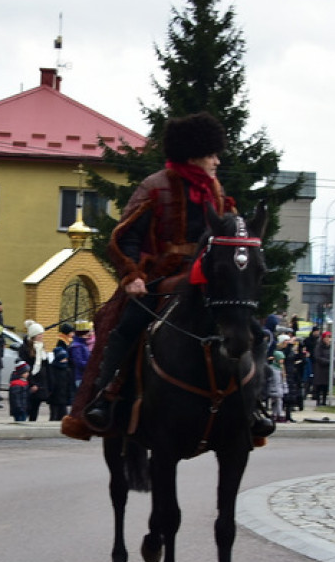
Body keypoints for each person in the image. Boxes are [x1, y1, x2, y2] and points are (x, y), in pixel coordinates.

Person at [69, 111, 271, 438]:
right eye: (212, 155)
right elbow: (126, 235)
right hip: (161, 279)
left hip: (206, 280)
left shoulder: (217, 192)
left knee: (255, 333)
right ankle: (106, 396)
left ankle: (254, 403)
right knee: (125, 328)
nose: (217, 161)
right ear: (193, 153)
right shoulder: (155, 185)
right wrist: (132, 275)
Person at [18, 320, 51, 422]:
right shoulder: (26, 349)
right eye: (39, 334)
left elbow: (45, 364)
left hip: (41, 382)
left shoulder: (41, 348)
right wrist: (32, 383)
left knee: (36, 406)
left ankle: (32, 422)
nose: (42, 336)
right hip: (32, 381)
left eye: (42, 334)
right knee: (29, 405)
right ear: (34, 335)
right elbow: (26, 367)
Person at [48, 322, 74, 421]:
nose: (73, 334)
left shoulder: (68, 341)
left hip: (62, 395)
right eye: (71, 332)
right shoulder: (62, 342)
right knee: (55, 414)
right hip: (56, 395)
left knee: (62, 413)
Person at [311, 331, 333, 406]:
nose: (328, 339)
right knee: (319, 386)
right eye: (326, 337)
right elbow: (317, 357)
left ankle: (324, 400)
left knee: (326, 386)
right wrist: (327, 361)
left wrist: (333, 362)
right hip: (320, 369)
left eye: (329, 337)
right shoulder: (319, 346)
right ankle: (318, 401)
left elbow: (334, 356)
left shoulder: (331, 347)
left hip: (328, 370)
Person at [69, 320, 92, 389]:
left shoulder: (83, 344)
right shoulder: (77, 346)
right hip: (80, 377)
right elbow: (79, 363)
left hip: (84, 376)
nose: (90, 334)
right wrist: (91, 364)